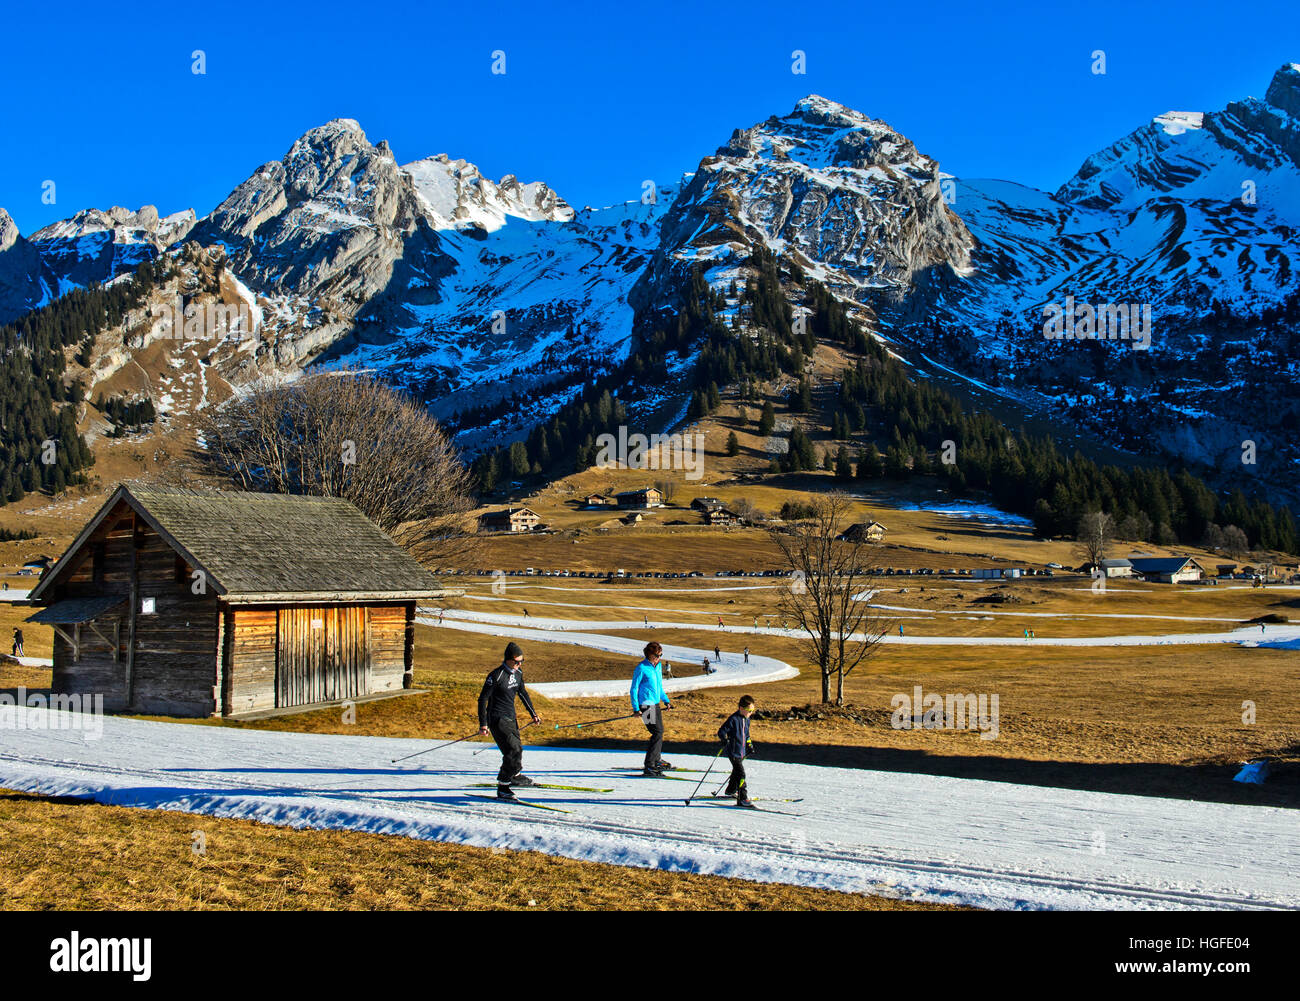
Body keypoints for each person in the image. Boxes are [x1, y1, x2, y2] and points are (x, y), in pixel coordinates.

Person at [477, 642, 541, 800]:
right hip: (497, 718)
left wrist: (533, 714)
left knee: (518, 748)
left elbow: (523, 694)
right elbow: (482, 699)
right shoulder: (496, 676)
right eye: (516, 661)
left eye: (521, 661)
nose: (519, 664)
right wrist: (483, 724)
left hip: (511, 717)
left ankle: (515, 775)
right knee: (512, 750)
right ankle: (503, 786)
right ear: (507, 659)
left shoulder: (518, 674)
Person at [630, 641, 673, 775]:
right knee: (657, 732)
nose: (659, 657)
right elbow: (634, 689)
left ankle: (656, 760)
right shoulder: (641, 668)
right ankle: (649, 765)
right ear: (650, 654)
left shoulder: (658, 667)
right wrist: (636, 708)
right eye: (657, 655)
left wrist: (666, 701)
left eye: (661, 654)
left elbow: (659, 687)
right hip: (646, 705)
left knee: (660, 732)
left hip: (655, 704)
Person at [718, 695, 757, 808]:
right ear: (741, 708)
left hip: (741, 751)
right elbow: (721, 731)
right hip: (734, 752)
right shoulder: (733, 719)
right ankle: (742, 798)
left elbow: (747, 735)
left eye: (752, 710)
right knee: (741, 774)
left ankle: (731, 790)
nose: (751, 713)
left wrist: (749, 746)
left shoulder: (747, 719)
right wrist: (724, 739)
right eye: (749, 710)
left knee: (736, 772)